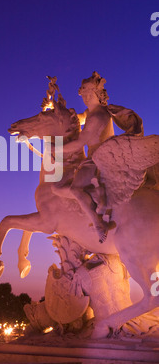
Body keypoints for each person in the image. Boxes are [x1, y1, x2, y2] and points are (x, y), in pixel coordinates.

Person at [52, 72, 116, 243]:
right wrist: (58, 107)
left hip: (98, 159)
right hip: (93, 157)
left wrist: (57, 149)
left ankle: (98, 223)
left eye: (85, 94)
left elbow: (80, 142)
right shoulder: (92, 112)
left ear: (92, 94)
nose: (83, 97)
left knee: (74, 189)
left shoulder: (98, 116)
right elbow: (78, 119)